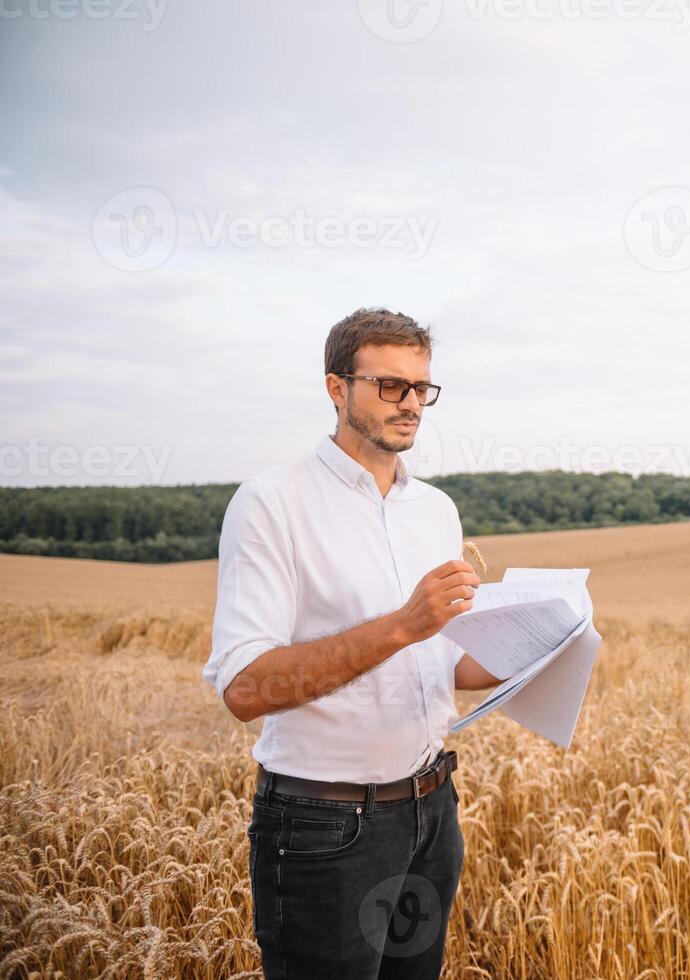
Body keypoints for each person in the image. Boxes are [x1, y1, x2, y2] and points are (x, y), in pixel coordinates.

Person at [203, 307, 503, 978]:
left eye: (421, 387)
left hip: (432, 813)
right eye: (388, 385)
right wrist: (403, 623)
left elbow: (443, 657)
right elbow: (246, 688)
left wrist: (535, 656)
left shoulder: (436, 510)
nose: (410, 403)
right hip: (324, 827)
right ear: (337, 388)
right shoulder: (271, 503)